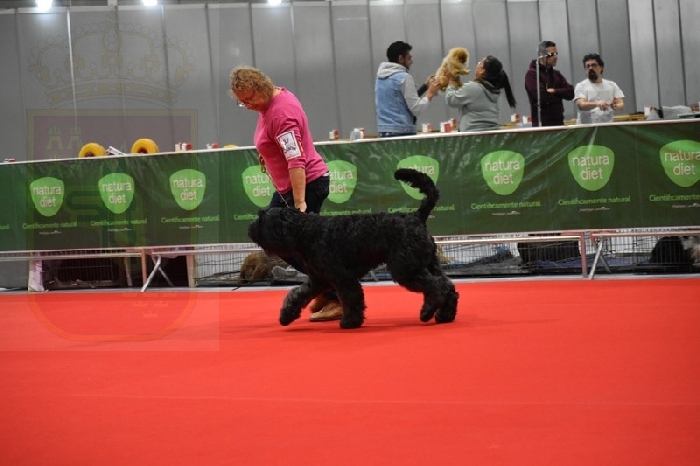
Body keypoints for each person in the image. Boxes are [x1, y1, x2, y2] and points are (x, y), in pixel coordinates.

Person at [230, 66, 342, 322]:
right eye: (242, 102)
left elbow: (296, 160)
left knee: (295, 246)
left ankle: (337, 296)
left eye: (249, 99)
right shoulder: (272, 100)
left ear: (260, 88)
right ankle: (327, 289)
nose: (247, 105)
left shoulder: (281, 113)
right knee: (273, 238)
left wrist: (300, 204)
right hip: (288, 189)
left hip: (305, 186)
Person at [375, 41, 441, 137]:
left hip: (384, 132)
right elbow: (416, 109)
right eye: (409, 58)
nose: (411, 61)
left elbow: (402, 101)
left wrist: (425, 87)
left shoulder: (380, 78)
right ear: (401, 59)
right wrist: (431, 93)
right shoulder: (404, 77)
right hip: (402, 133)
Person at [444, 55, 517, 132]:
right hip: (492, 135)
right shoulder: (496, 92)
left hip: (472, 135)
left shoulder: (473, 87)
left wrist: (451, 81)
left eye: (480, 63)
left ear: (482, 71)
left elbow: (451, 99)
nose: (478, 64)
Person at [524, 40, 574, 127]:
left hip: (559, 122)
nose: (555, 57)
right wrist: (561, 94)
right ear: (541, 55)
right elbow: (542, 96)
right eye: (551, 54)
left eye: (556, 54)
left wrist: (555, 91)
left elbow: (571, 93)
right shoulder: (532, 74)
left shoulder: (556, 74)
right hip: (541, 124)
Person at [574, 53, 625, 124]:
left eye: (594, 65)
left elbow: (621, 105)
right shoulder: (581, 86)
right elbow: (581, 105)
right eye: (588, 66)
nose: (590, 68)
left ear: (601, 67)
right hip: (587, 127)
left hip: (607, 125)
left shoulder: (612, 85)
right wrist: (597, 104)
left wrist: (614, 106)